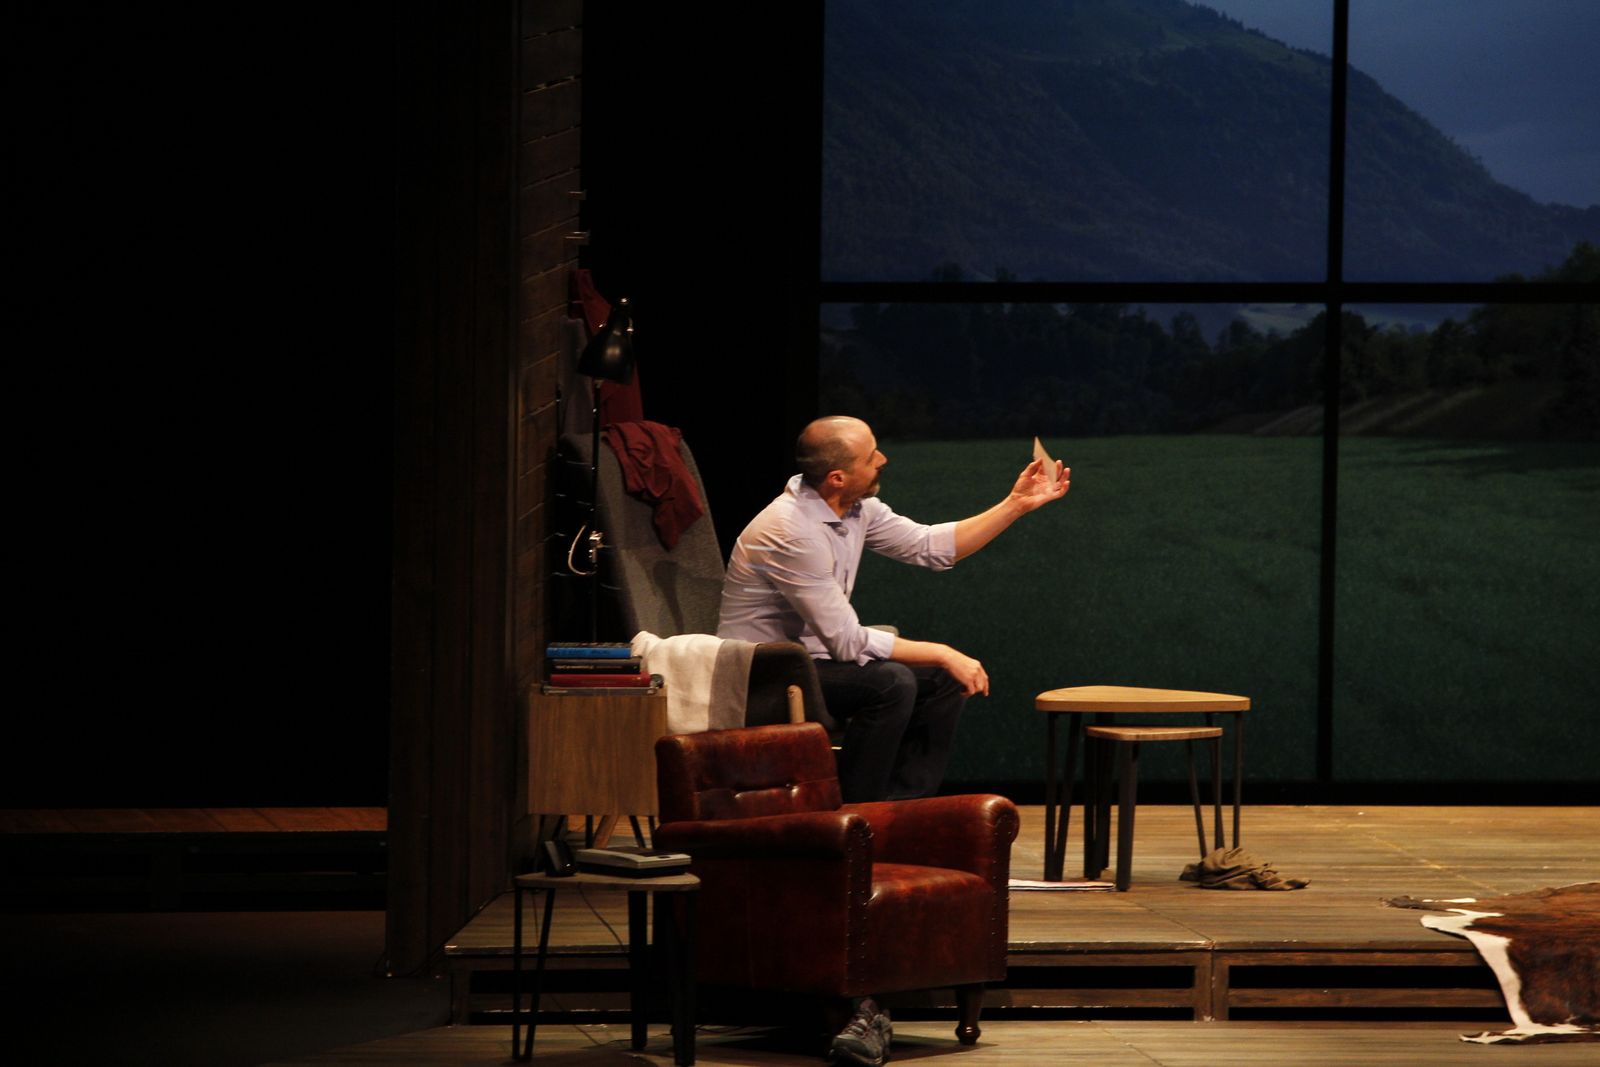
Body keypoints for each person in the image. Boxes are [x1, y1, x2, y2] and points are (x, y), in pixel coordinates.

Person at [716, 415, 1070, 804]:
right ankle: (857, 809)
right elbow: (847, 642)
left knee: (942, 680)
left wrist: (1016, 504)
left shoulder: (855, 508)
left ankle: (901, 808)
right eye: (871, 457)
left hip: (813, 662)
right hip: (766, 674)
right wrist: (943, 651)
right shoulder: (791, 531)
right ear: (837, 477)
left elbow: (930, 546)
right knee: (891, 683)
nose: (883, 459)